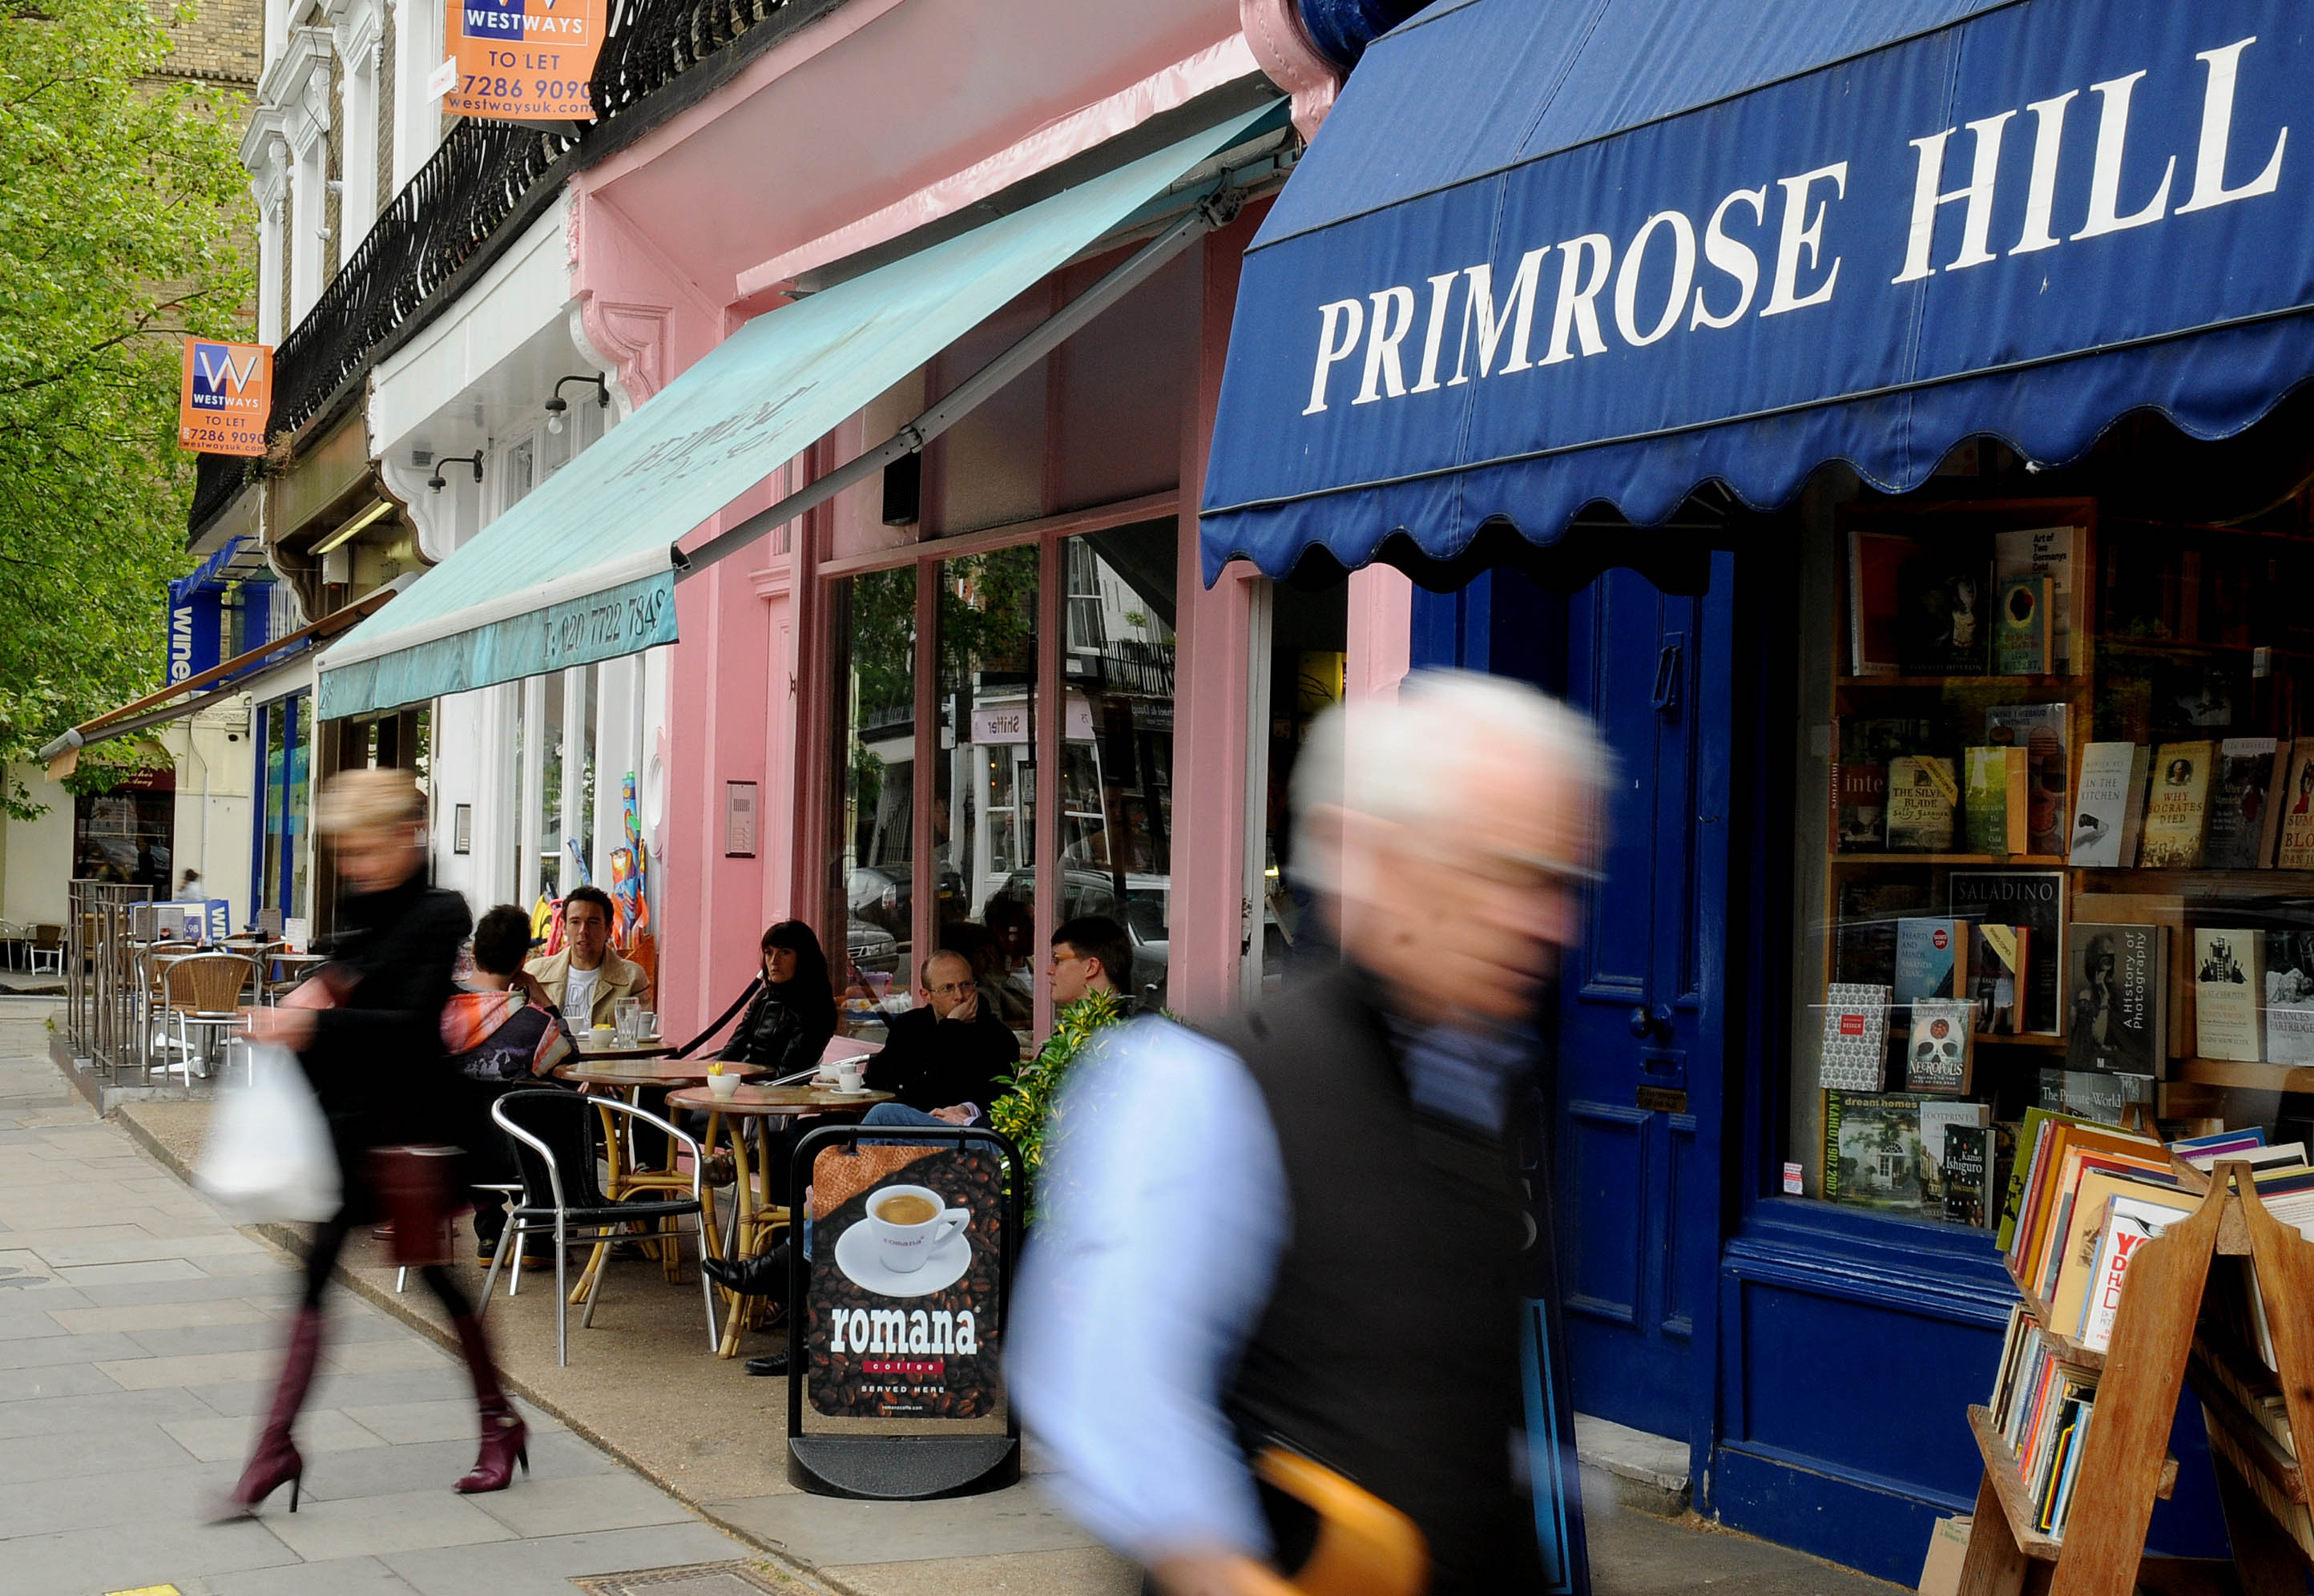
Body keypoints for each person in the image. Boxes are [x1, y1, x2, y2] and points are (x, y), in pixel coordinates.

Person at [1010, 671, 1609, 1596]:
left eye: (1557, 881)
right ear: (1387, 861)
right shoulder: (1206, 1083)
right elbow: (1107, 1385)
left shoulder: (1482, 1086)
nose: (1545, 920)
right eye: (1504, 871)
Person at [223, 771, 526, 1517]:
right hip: (350, 1125)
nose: (354, 865)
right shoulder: (361, 908)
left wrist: (311, 1022)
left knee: (431, 1276)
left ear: (406, 836)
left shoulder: (439, 912)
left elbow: (411, 1024)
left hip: (413, 1127)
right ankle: (275, 1447)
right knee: (314, 1274)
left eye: (364, 848)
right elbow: (348, 977)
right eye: (343, 851)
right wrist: (309, 996)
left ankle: (500, 1422)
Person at [441, 905, 575, 1261]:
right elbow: (569, 1058)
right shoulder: (534, 1023)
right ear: (522, 961)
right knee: (550, 1114)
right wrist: (542, 998)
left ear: (474, 953)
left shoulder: (439, 1010)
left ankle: (489, 1231)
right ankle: (538, 1235)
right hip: (516, 1157)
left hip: (451, 1156)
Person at [719, 921, 840, 1076]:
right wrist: (710, 1076)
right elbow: (735, 1047)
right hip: (741, 1083)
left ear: (804, 958)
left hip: (775, 1092)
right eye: (769, 952)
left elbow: (789, 1072)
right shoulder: (763, 998)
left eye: (785, 952)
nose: (774, 961)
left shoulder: (816, 1008)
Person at [528, 885, 651, 1032]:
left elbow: (642, 1037)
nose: (583, 931)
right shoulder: (535, 973)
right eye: (575, 922)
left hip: (608, 1055)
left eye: (593, 923)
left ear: (608, 929)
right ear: (564, 927)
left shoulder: (632, 978)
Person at [1048, 914, 1129, 1010]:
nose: (1049, 970)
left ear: (1091, 967)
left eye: (1058, 960)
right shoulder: (1120, 1021)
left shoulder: (1117, 1024)